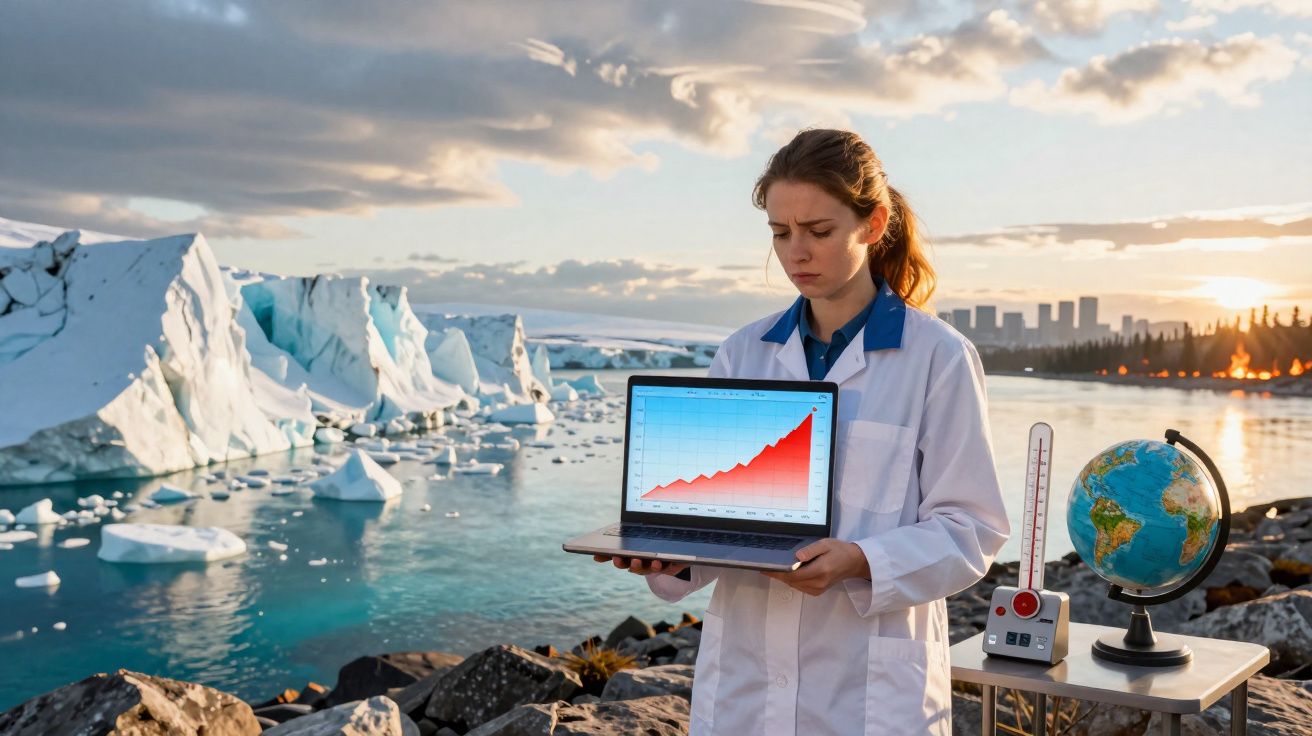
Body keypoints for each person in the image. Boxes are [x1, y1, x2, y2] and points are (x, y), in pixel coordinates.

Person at [594, 128, 1010, 735]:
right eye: (781, 234)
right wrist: (668, 553)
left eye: (818, 231)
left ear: (872, 223)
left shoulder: (937, 358)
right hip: (747, 686)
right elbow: (720, 522)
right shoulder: (744, 354)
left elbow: (973, 528)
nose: (797, 253)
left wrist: (862, 560)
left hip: (869, 692)